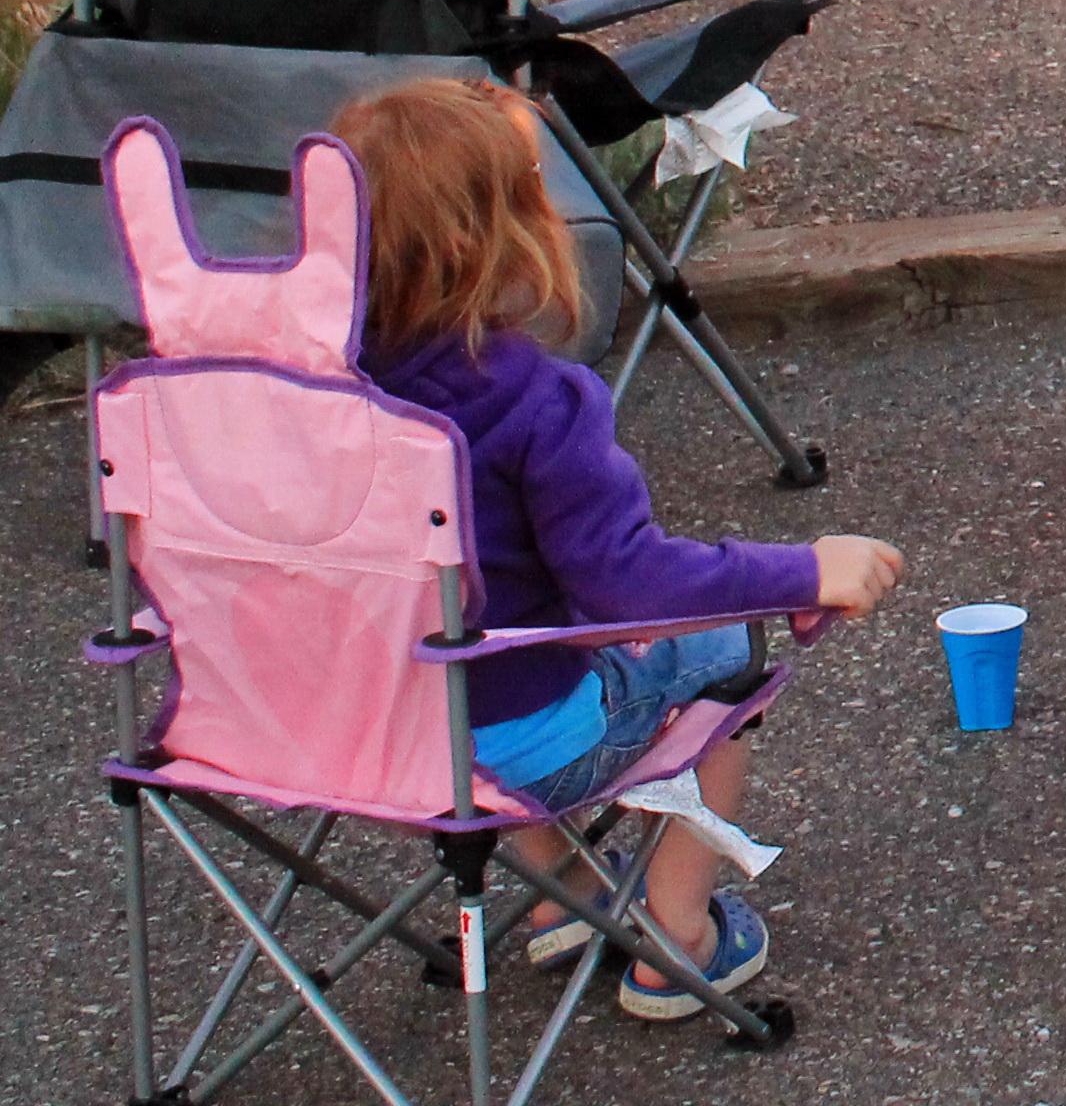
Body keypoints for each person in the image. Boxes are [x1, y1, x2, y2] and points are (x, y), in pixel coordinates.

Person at [337, 78, 905, 1023]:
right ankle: (677, 937)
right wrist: (804, 571)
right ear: (506, 234)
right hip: (502, 750)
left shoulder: (303, 388)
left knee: (530, 647)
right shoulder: (528, 397)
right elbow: (630, 582)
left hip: (338, 735)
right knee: (722, 653)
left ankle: (572, 890)